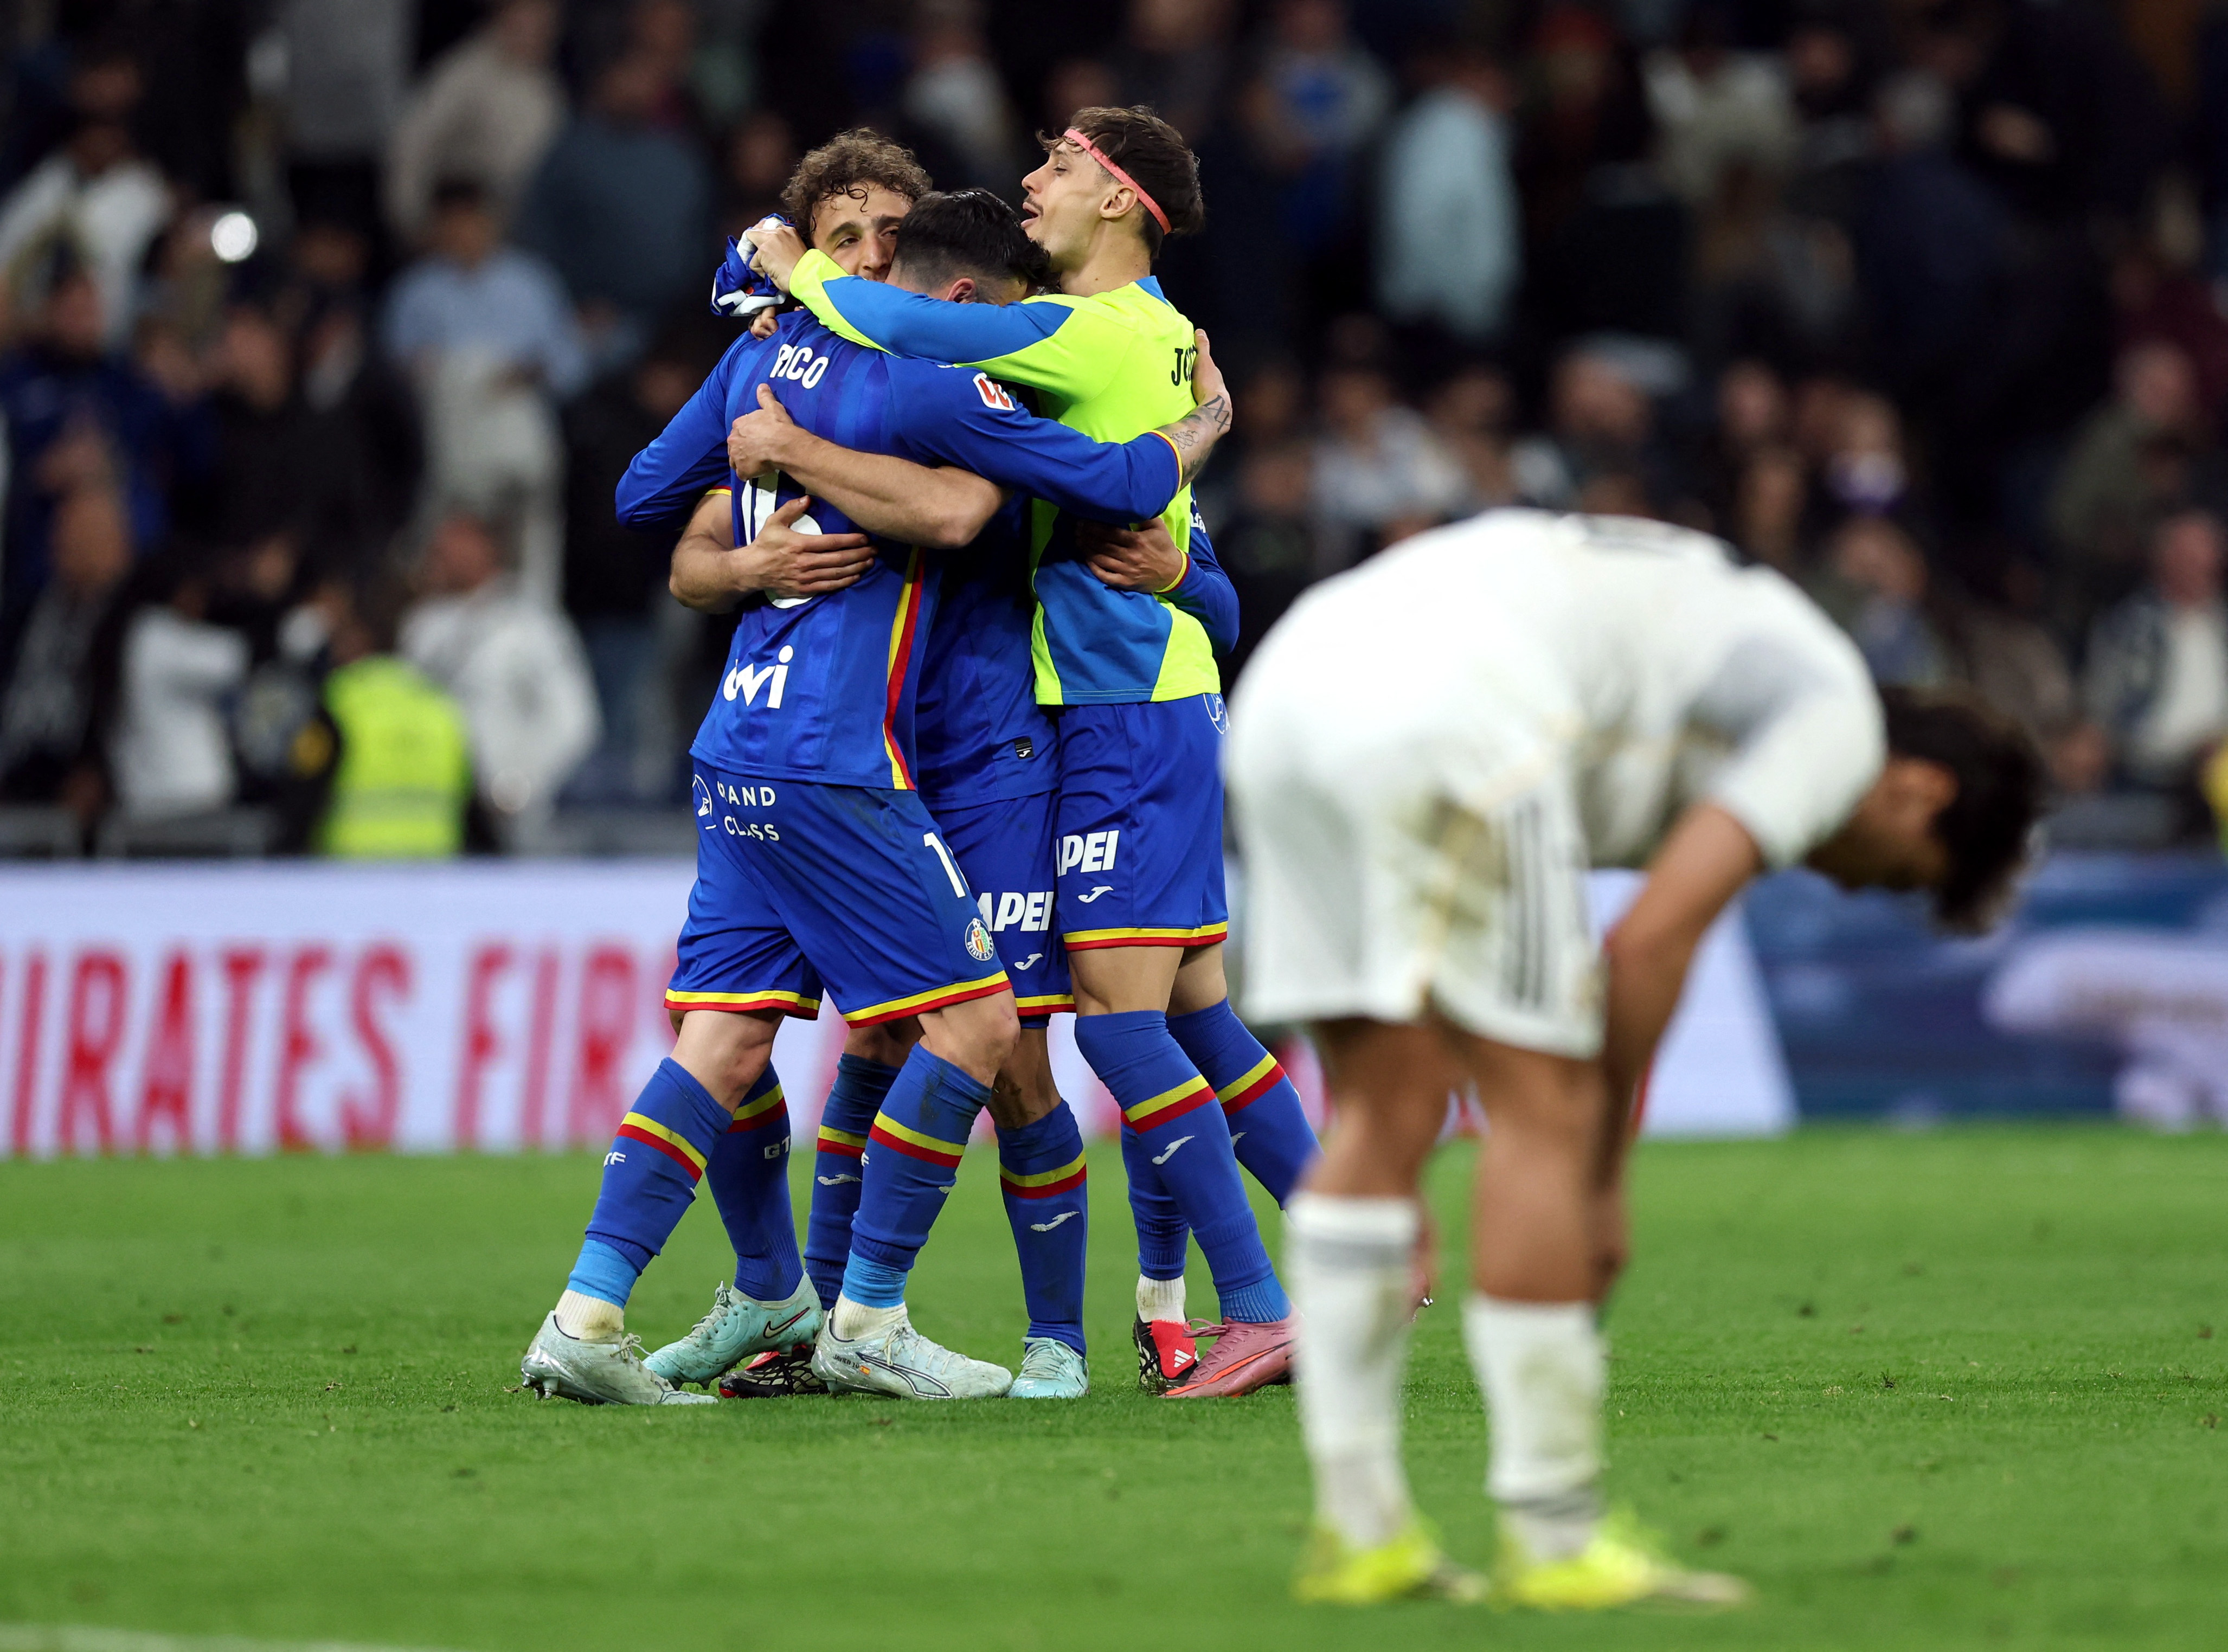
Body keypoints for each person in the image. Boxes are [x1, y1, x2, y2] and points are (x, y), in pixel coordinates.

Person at [1225, 510, 2046, 1605]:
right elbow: (1652, 939)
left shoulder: (1737, 639)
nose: (1850, 886)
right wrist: (1601, 1174)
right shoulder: (1836, 719)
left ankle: (1360, 1530)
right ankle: (1555, 1536)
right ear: (1922, 793)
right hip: (1454, 711)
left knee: (1383, 1112)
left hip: (1289, 692)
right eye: (1898, 875)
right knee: (1543, 1115)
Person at [517, 189, 1230, 1409]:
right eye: (831, 245)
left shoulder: (765, 365)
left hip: (795, 745)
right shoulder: (930, 384)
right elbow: (1069, 487)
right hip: (846, 760)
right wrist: (1211, 413)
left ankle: (598, 1315)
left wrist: (779, 460)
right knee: (972, 1029)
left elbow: (643, 491)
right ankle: (859, 1319)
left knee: (740, 1043)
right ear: (962, 303)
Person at [749, 104, 1320, 1399]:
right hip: (993, 744)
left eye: (1057, 164)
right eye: (847, 241)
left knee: (1087, 1036)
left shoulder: (1070, 344)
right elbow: (659, 511)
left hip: (1073, 736)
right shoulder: (1142, 346)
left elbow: (1189, 568)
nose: (1032, 178)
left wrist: (794, 272)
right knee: (1168, 1017)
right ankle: (1306, 1267)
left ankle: (1195, 1312)